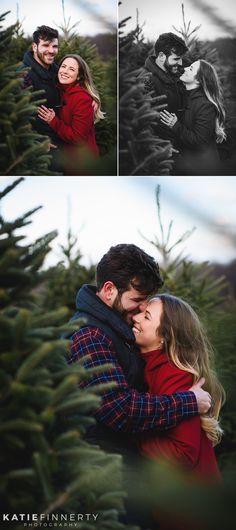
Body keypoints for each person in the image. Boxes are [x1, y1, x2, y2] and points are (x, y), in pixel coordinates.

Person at [68, 244, 211, 458]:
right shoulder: (90, 336)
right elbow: (119, 409)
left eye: (146, 301)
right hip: (102, 467)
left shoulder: (119, 328)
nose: (143, 307)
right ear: (109, 290)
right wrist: (189, 401)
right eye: (136, 300)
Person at [132, 294, 225, 482]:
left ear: (164, 338)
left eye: (147, 316)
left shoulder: (175, 375)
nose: (135, 317)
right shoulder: (147, 365)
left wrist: (129, 435)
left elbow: (183, 454)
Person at [38, 54, 103, 174]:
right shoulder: (59, 89)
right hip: (66, 159)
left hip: (81, 164)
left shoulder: (82, 99)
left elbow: (78, 137)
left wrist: (53, 121)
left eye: (71, 69)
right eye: (63, 66)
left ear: (78, 76)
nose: (65, 71)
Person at [159, 59, 226, 175]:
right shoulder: (184, 97)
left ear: (199, 80)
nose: (184, 68)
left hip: (202, 169)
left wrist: (175, 125)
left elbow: (199, 142)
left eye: (190, 69)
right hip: (187, 165)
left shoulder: (206, 106)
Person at [141, 32, 188, 141]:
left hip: (184, 141)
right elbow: (145, 124)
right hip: (166, 149)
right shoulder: (146, 81)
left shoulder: (179, 75)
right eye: (176, 59)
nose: (180, 63)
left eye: (180, 58)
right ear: (161, 56)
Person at [22, 25, 61, 148]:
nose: (51, 50)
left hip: (61, 137)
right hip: (42, 148)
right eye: (46, 45)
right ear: (34, 47)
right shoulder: (24, 75)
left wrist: (91, 99)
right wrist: (37, 141)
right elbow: (17, 115)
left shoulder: (58, 72)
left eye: (54, 46)